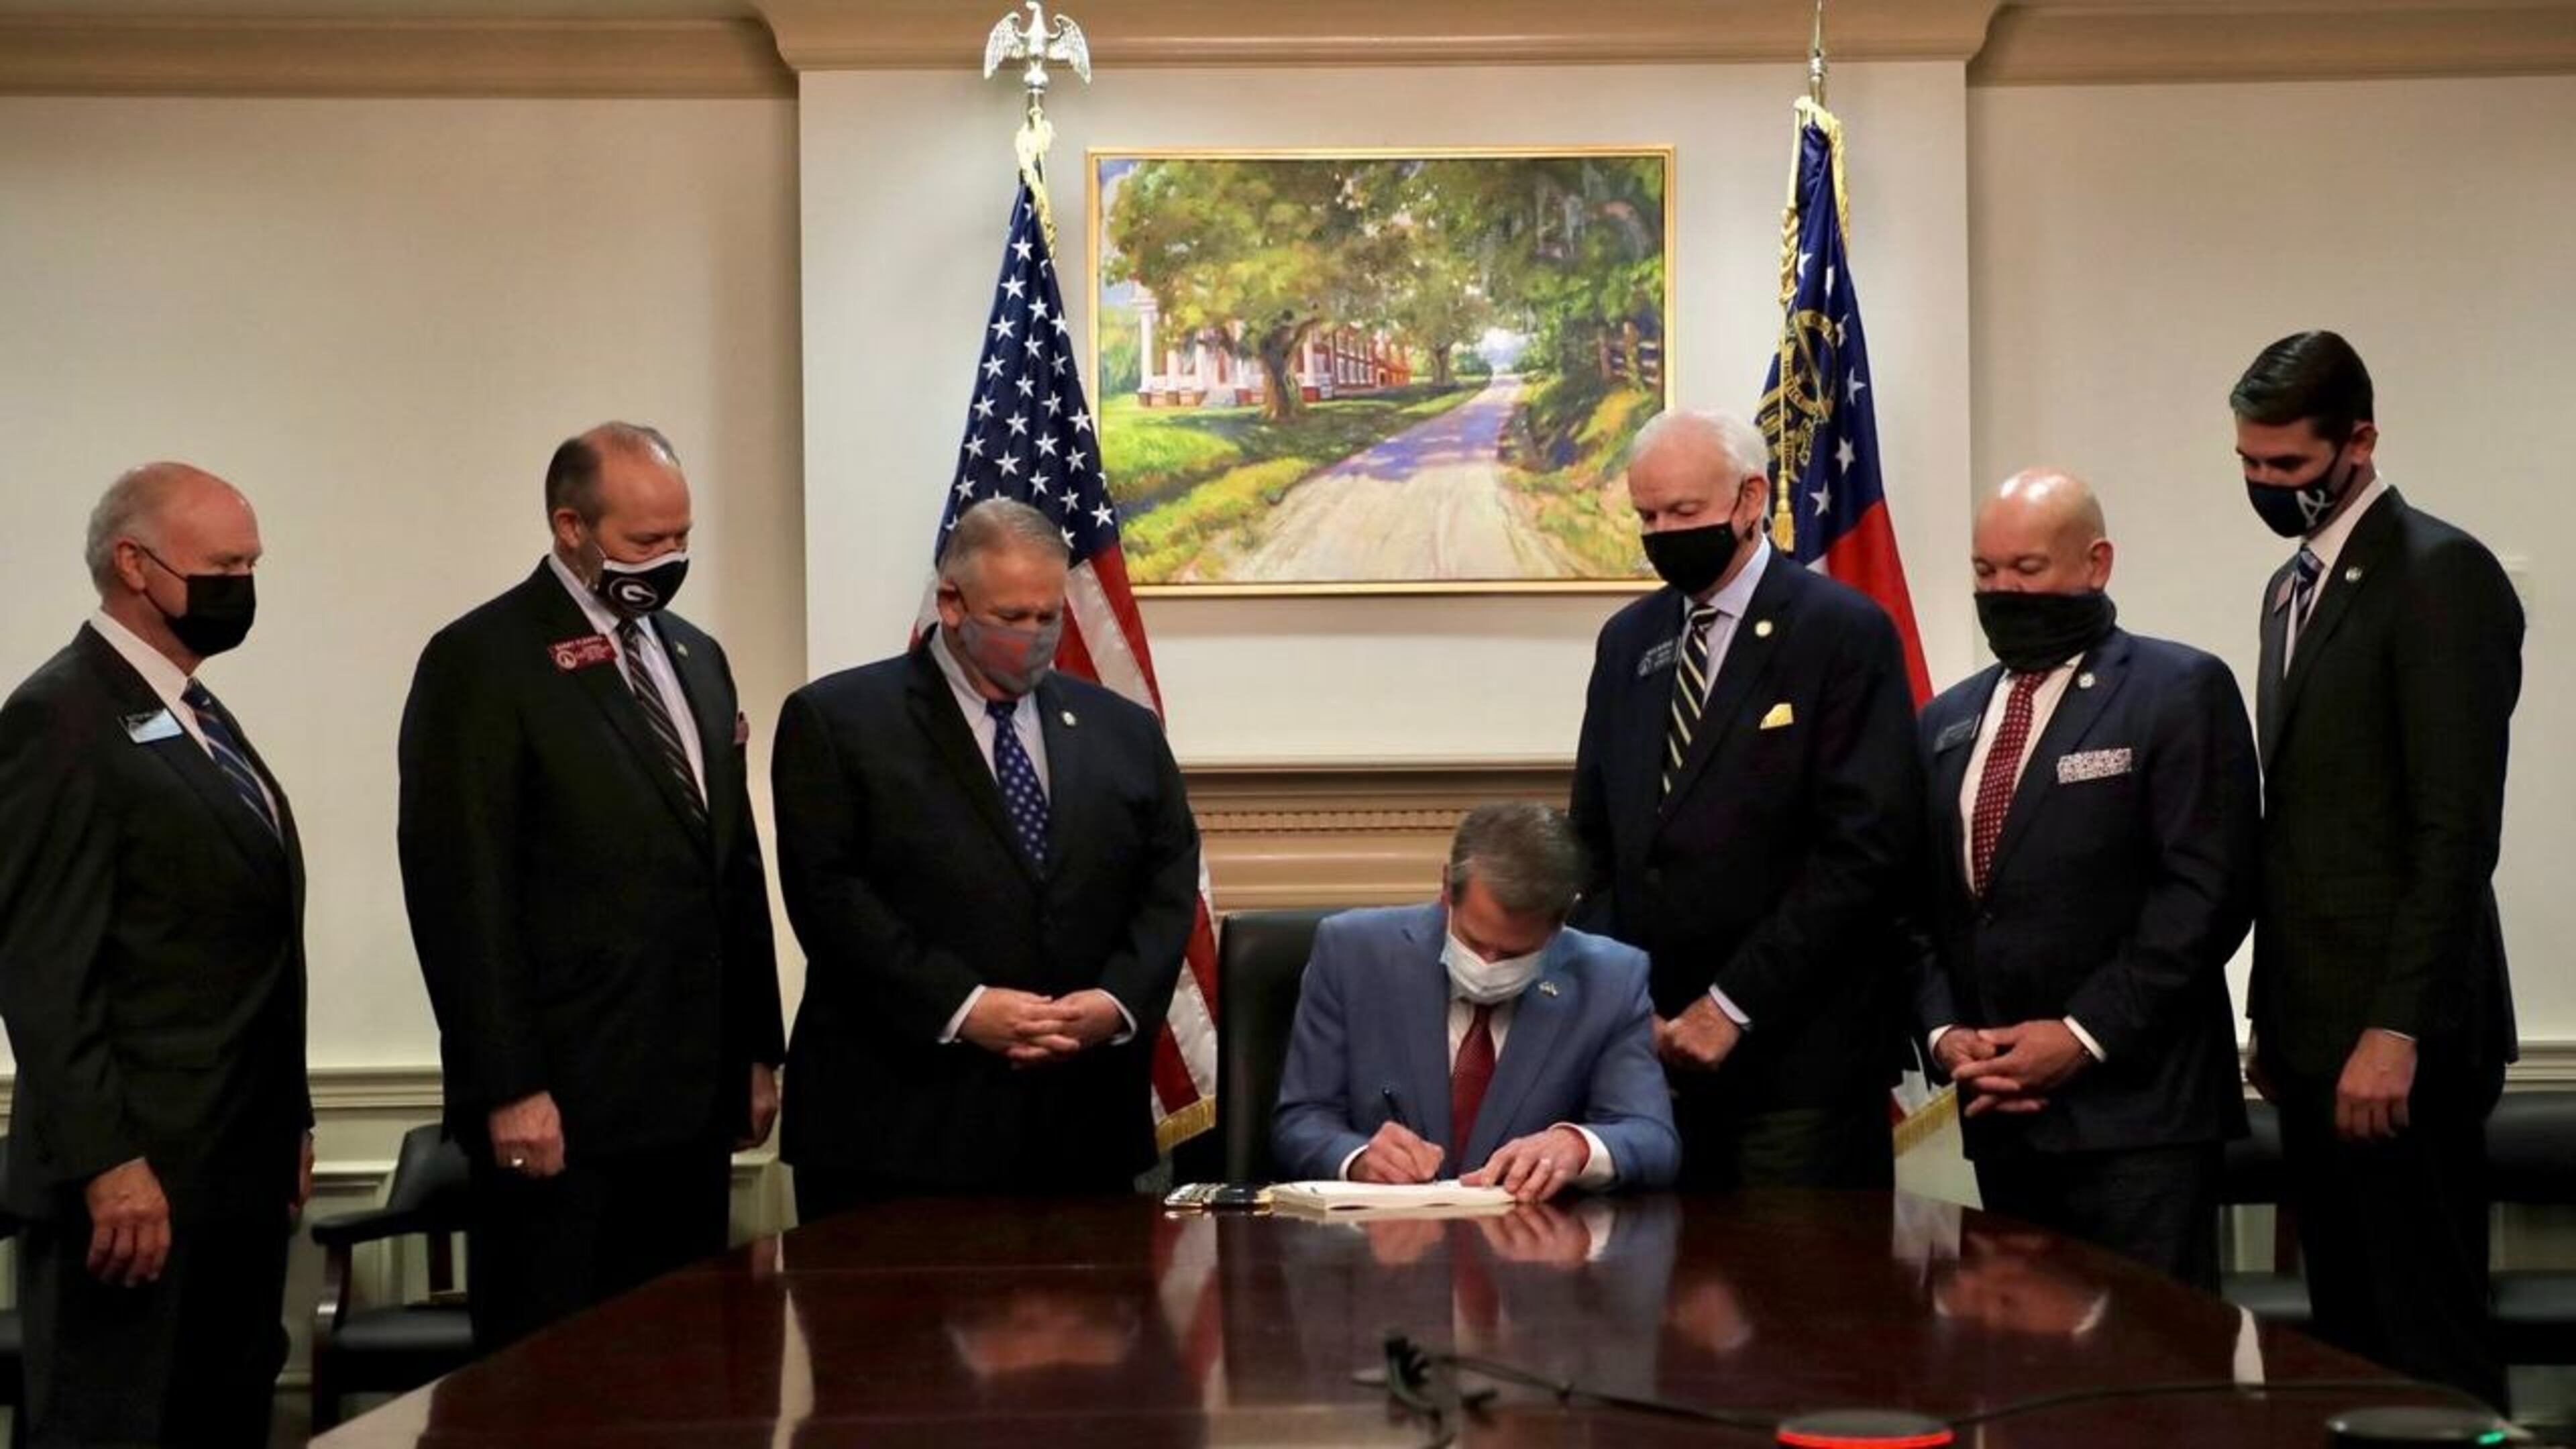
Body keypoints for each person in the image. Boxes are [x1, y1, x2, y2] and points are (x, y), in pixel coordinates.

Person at [398, 422, 785, 1351]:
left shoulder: (694, 655)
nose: (670, 559)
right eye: (645, 542)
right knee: (556, 1374)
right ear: (571, 527)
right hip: (563, 1104)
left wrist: (756, 1048)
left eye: (682, 537)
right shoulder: (483, 659)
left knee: (686, 1365)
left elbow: (732, 863)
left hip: (690, 1101)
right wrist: (509, 1088)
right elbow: (463, 892)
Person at [2235, 331, 2522, 1406]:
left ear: (2360, 441)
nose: (2267, 486)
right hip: (2314, 1034)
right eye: (2251, 466)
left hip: (2404, 1043)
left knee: (2426, 1334)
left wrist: (2392, 1030)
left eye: (2291, 468)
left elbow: (2454, 831)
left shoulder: (2440, 573)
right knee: (2346, 1340)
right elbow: (2305, 829)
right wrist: (2274, 1013)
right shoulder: (2290, 586)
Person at [771, 497, 1199, 1216]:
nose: (1034, 637)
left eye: (1049, 617)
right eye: (1011, 618)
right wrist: (963, 1007)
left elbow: (1168, 881)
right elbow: (831, 899)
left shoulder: (1121, 730)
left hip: (1078, 1133)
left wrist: (1114, 1002)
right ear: (952, 603)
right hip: (898, 1137)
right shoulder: (839, 723)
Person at [0, 462, 313, 1446]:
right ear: (135, 565)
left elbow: (242, 942)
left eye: (253, 563)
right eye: (224, 565)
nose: (244, 586)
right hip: (134, 1194)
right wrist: (108, 1163)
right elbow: (46, 967)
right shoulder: (62, 713)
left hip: (234, 1175)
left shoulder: (194, 713)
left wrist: (291, 1117)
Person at [1911, 468, 2257, 1289]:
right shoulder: (1947, 721)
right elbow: (1918, 906)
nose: (2002, 591)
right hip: (2001, 1112)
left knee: (2152, 1379)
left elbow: (2208, 894)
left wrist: (2080, 1036)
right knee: (2028, 1383)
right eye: (1985, 572)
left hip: (2140, 1119)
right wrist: (1945, 1034)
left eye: (2027, 571)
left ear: (2095, 564)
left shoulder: (2179, 689)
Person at [1569, 409, 1923, 1189]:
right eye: (1647, 516)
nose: (1662, 533)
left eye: (1684, 513)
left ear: (1750, 498)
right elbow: (1592, 848)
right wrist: (1630, 1008)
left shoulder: (1841, 631)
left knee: (1799, 1304)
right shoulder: (1628, 642)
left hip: (1798, 1069)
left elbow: (1864, 852)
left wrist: (1728, 1006)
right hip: (1649, 1070)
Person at [1271, 802, 1679, 1199]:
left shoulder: (1610, 980)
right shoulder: (1351, 953)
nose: (1488, 965)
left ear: (1561, 920)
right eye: (1476, 942)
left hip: (1531, 1254)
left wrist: (1576, 1146)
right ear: (1448, 888)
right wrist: (1358, 1159)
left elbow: (1652, 1138)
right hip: (1386, 1251)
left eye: (1514, 954)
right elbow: (1302, 1121)